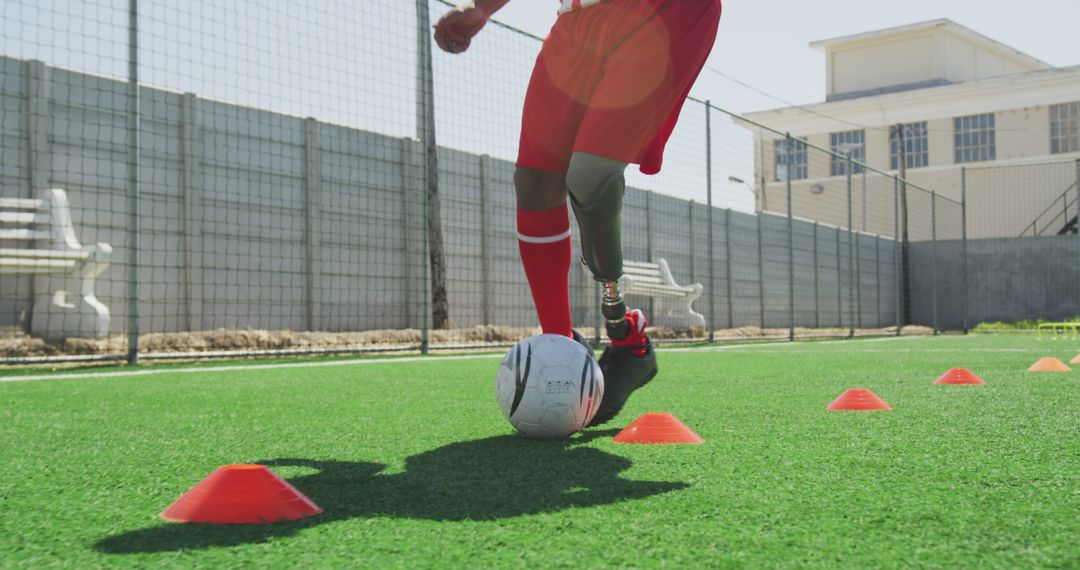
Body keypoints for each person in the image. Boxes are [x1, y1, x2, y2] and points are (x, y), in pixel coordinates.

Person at [434, 0, 722, 425]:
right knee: (534, 182)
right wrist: (482, 9)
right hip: (576, 24)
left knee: (590, 177)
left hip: (663, 11)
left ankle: (624, 333)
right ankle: (562, 346)